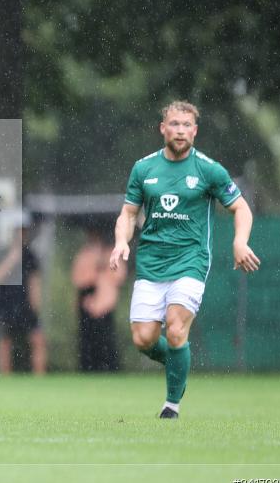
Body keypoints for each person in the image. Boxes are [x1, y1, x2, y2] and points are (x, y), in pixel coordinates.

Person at [109, 100, 260, 418]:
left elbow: (241, 208)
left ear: (195, 131)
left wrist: (239, 241)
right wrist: (121, 241)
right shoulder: (144, 168)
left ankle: (171, 406)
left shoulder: (209, 169)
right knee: (143, 339)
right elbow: (128, 213)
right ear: (162, 128)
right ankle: (179, 361)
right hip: (151, 263)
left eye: (186, 125)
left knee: (176, 329)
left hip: (191, 261)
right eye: (174, 124)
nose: (180, 130)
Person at [0, 220, 46, 374]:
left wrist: (35, 306)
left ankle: (40, 377)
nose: (22, 235)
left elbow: (34, 282)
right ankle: (5, 376)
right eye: (19, 231)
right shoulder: (1, 253)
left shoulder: (30, 255)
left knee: (37, 339)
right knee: (4, 342)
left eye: (24, 232)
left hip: (25, 305)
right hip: (5, 304)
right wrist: (12, 258)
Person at [72, 224, 126, 371]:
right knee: (87, 339)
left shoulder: (111, 253)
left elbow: (118, 277)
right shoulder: (83, 255)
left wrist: (104, 270)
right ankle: (88, 368)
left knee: (106, 339)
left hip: (106, 302)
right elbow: (78, 279)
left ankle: (108, 368)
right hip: (87, 300)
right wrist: (93, 272)